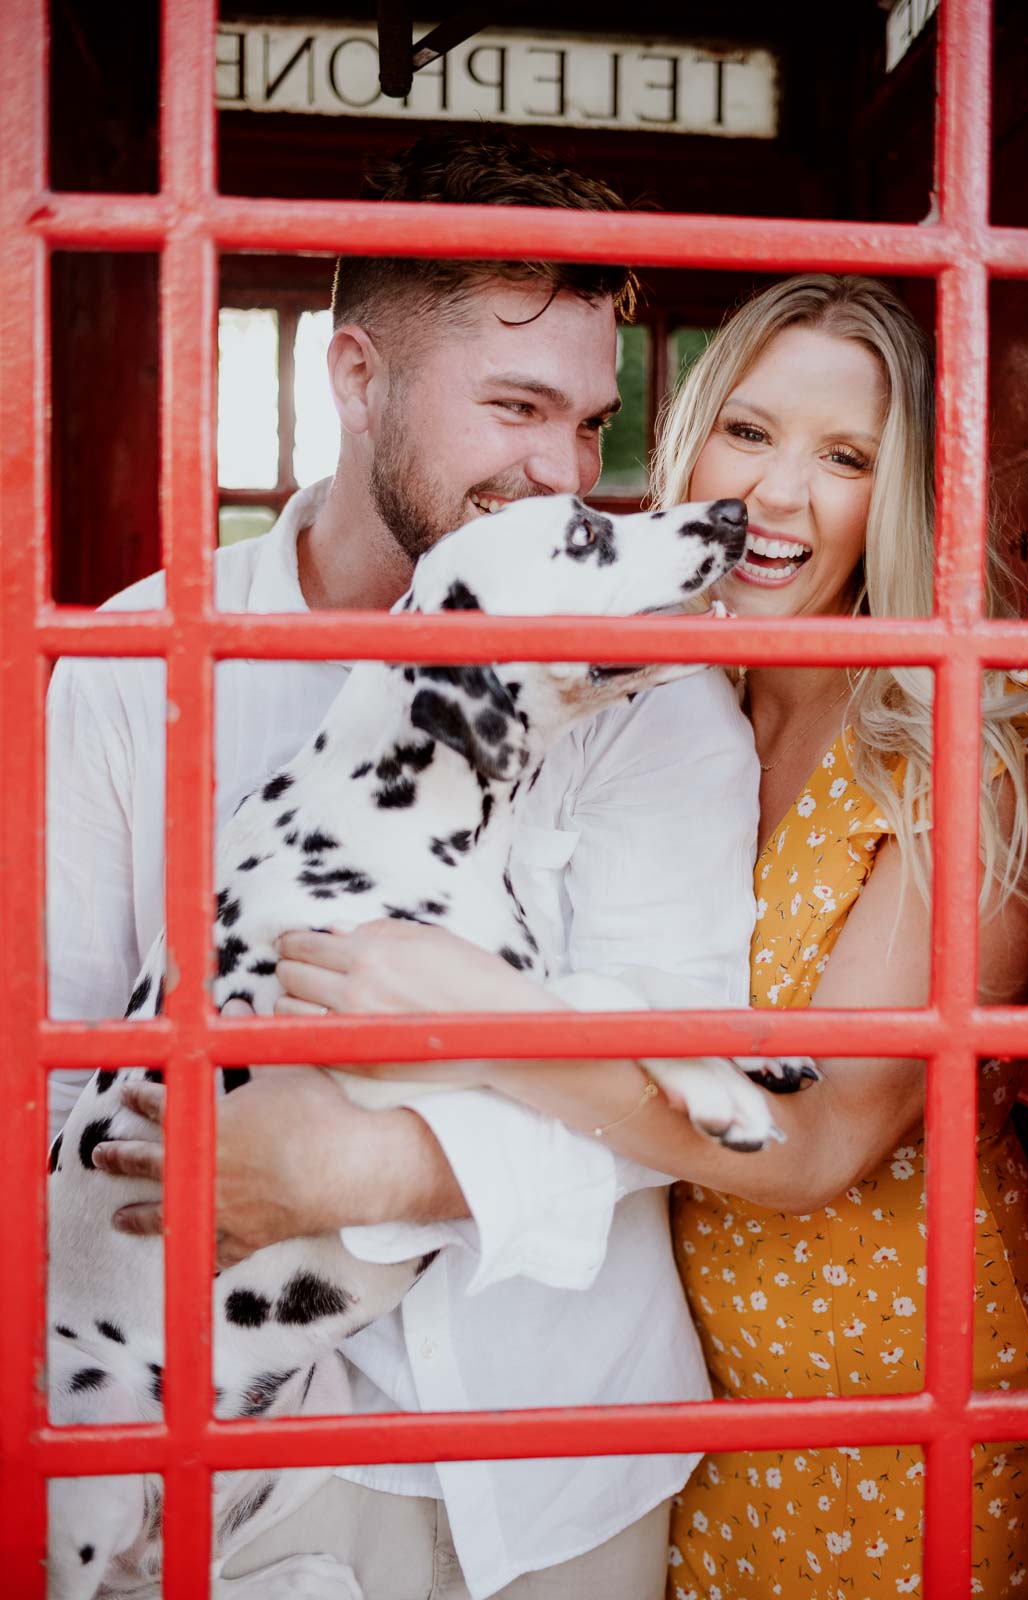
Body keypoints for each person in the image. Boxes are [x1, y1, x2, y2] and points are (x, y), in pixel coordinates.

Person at [47, 131, 769, 1600]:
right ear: (357, 377)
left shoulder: (649, 692)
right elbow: (57, 1071)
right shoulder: (138, 660)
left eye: (591, 421)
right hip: (243, 1470)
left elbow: (697, 1085)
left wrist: (372, 1166)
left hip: (568, 1461)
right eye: (515, 405)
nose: (561, 470)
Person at [313, 274, 1028, 1596]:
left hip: (901, 1397)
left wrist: (477, 1018)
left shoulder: (965, 742)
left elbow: (819, 1136)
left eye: (845, 458)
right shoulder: (665, 688)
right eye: (751, 432)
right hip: (692, 1406)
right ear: (690, 439)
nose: (776, 497)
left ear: (903, 496)